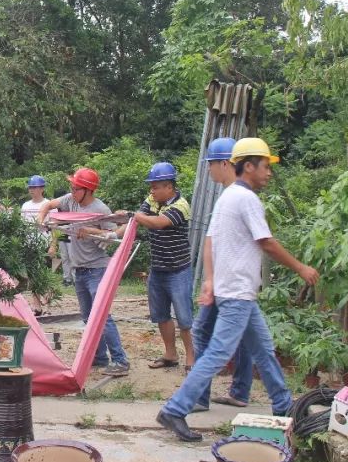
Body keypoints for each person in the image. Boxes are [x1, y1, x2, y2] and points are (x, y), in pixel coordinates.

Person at [156, 138, 319, 441]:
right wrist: (301, 267)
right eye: (265, 166)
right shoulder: (246, 199)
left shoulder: (228, 197)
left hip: (234, 289)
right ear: (248, 166)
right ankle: (176, 409)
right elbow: (266, 241)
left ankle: (284, 406)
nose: (269, 172)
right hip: (236, 292)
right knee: (218, 353)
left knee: (264, 350)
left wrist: (211, 282)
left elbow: (212, 241)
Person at [37, 167, 130, 376]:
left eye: (76, 188)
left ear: (87, 190)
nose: (72, 191)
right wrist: (41, 219)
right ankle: (98, 357)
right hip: (79, 270)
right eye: (71, 187)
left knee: (102, 317)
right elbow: (49, 205)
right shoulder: (71, 200)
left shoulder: (101, 209)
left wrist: (90, 230)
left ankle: (120, 360)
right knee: (88, 318)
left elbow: (113, 234)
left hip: (97, 269)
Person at [192, 137, 254, 411]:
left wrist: (213, 280)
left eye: (211, 165)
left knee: (203, 332)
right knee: (243, 337)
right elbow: (210, 240)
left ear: (224, 163)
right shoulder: (227, 196)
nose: (208, 170)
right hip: (225, 282)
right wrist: (208, 278)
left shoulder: (238, 197)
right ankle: (239, 391)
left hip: (231, 284)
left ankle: (199, 397)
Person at [125, 162, 195, 370]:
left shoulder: (181, 205)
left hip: (178, 270)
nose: (152, 191)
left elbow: (157, 223)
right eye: (152, 187)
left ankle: (192, 358)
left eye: (156, 187)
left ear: (169, 187)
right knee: (161, 315)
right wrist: (111, 233)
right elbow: (136, 220)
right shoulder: (152, 201)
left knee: (184, 318)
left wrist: (135, 216)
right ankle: (170, 355)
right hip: (158, 269)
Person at [21, 175, 54, 316]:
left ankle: (47, 306)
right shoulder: (25, 206)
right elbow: (23, 226)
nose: (32, 190)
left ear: (42, 189)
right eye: (30, 187)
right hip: (30, 245)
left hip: (45, 243)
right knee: (32, 277)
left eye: (35, 187)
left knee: (45, 277)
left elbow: (56, 228)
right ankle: (37, 307)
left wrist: (54, 245)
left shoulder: (49, 205)